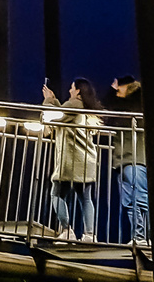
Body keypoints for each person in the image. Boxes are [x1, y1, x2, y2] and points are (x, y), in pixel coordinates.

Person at [42, 77, 102, 242]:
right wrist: (54, 100)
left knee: (56, 194)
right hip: (86, 161)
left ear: (78, 91)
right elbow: (63, 115)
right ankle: (89, 234)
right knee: (86, 198)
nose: (69, 91)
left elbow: (55, 117)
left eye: (72, 88)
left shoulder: (75, 104)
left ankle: (67, 230)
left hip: (72, 161)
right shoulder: (84, 109)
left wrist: (48, 100)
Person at [106, 75, 148, 243]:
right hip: (122, 158)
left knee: (139, 197)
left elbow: (112, 108)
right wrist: (112, 92)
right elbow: (108, 110)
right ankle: (138, 236)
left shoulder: (136, 102)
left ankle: (144, 236)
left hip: (135, 157)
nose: (116, 91)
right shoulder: (123, 105)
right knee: (129, 201)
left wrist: (112, 93)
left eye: (119, 88)